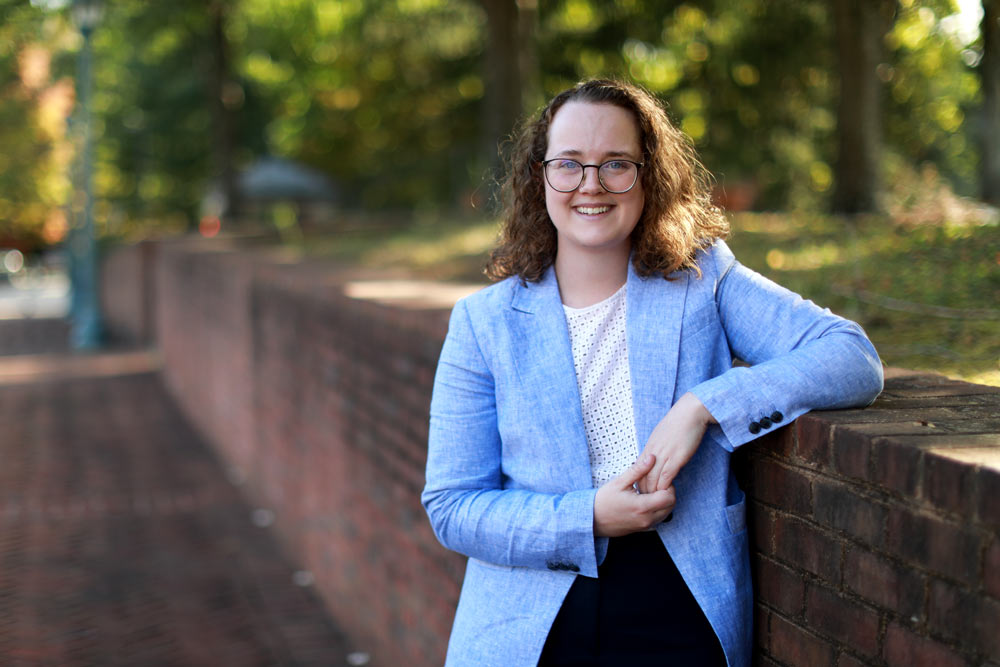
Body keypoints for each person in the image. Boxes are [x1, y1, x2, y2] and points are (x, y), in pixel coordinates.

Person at [422, 78, 883, 667]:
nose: (591, 185)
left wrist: (705, 405)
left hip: (678, 600)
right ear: (541, 178)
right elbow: (454, 506)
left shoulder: (703, 281)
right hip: (528, 618)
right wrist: (587, 517)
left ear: (649, 176)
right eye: (570, 165)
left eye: (616, 163)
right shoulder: (484, 323)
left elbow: (851, 355)